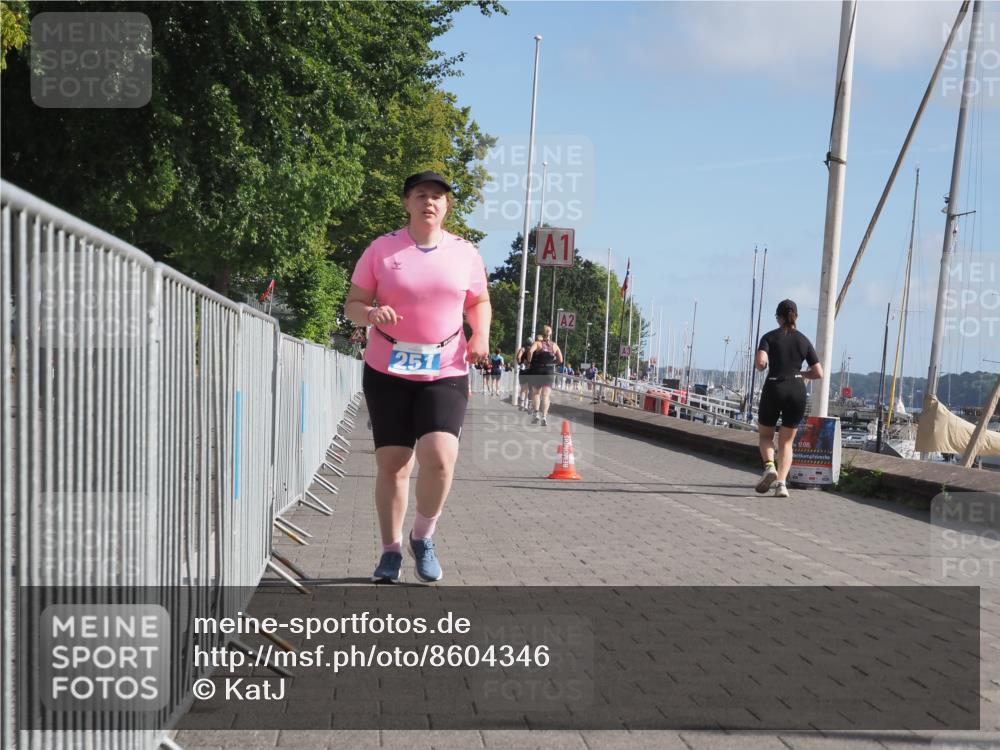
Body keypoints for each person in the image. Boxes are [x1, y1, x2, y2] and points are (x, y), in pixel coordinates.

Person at [344, 170, 490, 583]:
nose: (430, 202)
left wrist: (481, 335)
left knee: (440, 458)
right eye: (421, 195)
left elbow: (479, 300)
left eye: (438, 197)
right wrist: (371, 313)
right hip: (387, 367)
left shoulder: (465, 253)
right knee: (393, 464)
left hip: (446, 366)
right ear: (407, 203)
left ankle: (423, 537)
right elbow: (354, 302)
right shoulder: (383, 250)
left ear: (447, 207)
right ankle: (390, 552)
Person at [753, 299, 823, 498]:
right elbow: (819, 372)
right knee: (787, 442)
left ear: (779, 317)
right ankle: (782, 484)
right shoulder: (803, 340)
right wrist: (802, 374)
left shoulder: (769, 337)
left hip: (774, 387)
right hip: (796, 390)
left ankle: (769, 467)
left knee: (766, 436)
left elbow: (761, 362)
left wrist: (762, 366)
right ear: (796, 317)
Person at [526, 325, 563, 426]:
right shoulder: (554, 345)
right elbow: (561, 360)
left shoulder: (538, 343)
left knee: (536, 393)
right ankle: (544, 417)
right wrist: (553, 362)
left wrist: (529, 361)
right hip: (549, 371)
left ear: (542, 333)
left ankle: (536, 414)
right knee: (546, 395)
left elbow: (530, 351)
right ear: (550, 334)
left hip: (538, 370)